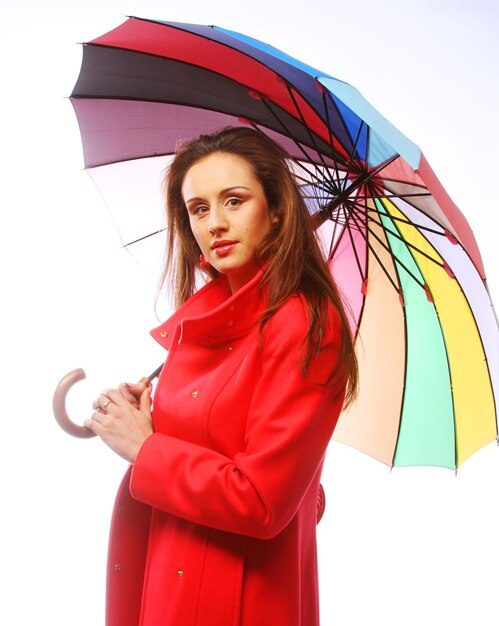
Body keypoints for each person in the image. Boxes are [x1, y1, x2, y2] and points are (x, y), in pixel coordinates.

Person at [85, 127, 359, 626]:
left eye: (234, 201)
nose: (215, 223)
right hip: (166, 576)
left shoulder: (304, 324)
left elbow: (262, 502)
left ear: (276, 211)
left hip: (230, 600)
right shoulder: (207, 317)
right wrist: (150, 416)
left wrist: (145, 448)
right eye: (199, 208)